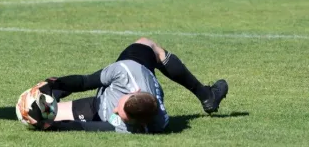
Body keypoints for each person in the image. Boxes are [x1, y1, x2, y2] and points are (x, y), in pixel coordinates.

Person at [18, 37, 229, 133]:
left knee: (47, 115)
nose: (116, 112)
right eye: (120, 107)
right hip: (139, 67)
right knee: (148, 44)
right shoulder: (126, 71)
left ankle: (206, 95)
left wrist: (49, 125)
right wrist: (53, 84)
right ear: (133, 92)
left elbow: (86, 126)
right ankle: (205, 94)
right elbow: (85, 81)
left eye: (119, 114)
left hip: (97, 106)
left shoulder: (141, 126)